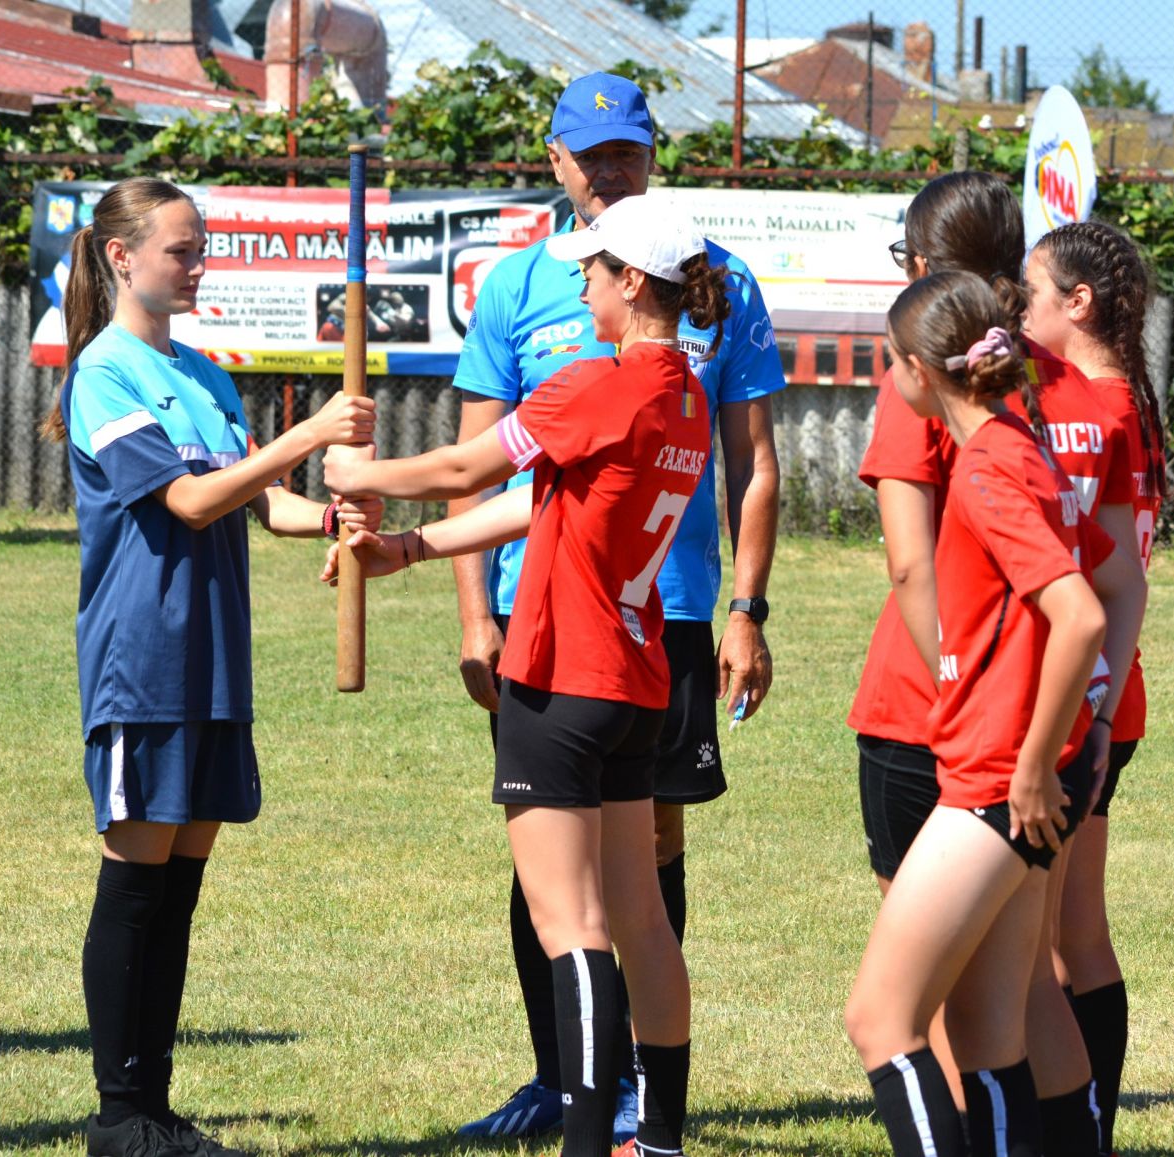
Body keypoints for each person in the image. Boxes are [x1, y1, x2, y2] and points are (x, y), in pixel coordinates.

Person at [324, 194, 732, 1157]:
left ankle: (589, 1143)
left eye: (593, 270)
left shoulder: (598, 382)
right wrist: (413, 548)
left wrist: (356, 475)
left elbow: (467, 461)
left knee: (573, 923)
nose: (580, 281)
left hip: (560, 678)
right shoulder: (684, 393)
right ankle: (659, 1140)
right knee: (641, 918)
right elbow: (538, 503)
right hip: (634, 681)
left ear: (633, 283)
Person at [445, 70, 784, 1143]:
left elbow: (755, 463)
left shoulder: (711, 282)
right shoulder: (519, 283)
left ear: (651, 153)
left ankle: (632, 1092)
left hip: (669, 610)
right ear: (555, 163)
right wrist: (471, 613)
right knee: (543, 843)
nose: (607, 170)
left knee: (643, 852)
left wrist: (745, 608)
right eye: (588, 156)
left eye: (625, 151)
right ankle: (559, 1078)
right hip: (537, 606)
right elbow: (483, 469)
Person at [39, 177, 376, 1157]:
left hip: (214, 659)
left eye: (199, 248)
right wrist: (308, 436)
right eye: (181, 250)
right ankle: (117, 1112)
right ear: (122, 257)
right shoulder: (103, 372)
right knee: (135, 881)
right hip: (140, 662)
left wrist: (333, 518)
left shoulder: (204, 372)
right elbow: (187, 500)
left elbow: (260, 504)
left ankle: (155, 1105)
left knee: (179, 888)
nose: (196, 265)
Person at [846, 171, 1138, 1146]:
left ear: (923, 374)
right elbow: (1105, 577)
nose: (885, 382)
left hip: (989, 773)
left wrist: (1025, 761)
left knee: (882, 1018)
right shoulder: (1030, 442)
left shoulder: (983, 464)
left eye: (889, 364)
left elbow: (1078, 615)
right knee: (988, 1024)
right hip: (1027, 764)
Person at [1023, 220, 1166, 1157]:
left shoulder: (1087, 407)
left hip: (1082, 697)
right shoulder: (1132, 404)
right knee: (1078, 933)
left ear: (1078, 305)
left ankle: (1066, 1130)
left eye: (1031, 292)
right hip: (1115, 688)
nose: (1020, 310)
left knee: (1045, 947)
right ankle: (1091, 1132)